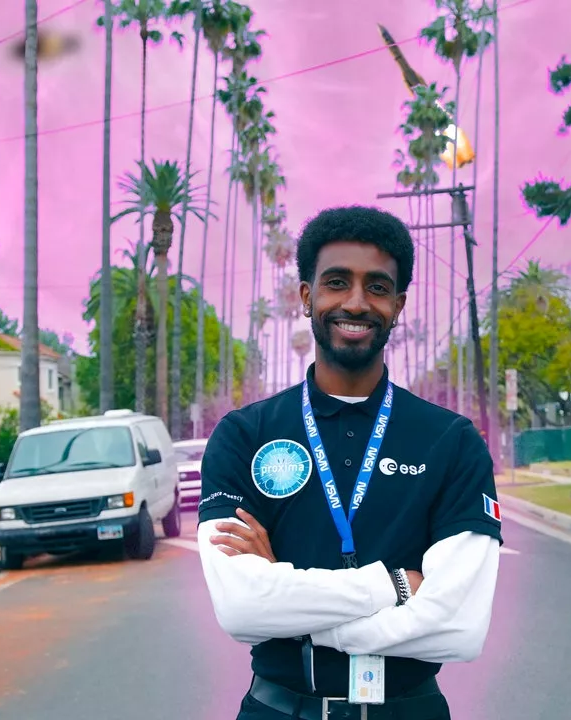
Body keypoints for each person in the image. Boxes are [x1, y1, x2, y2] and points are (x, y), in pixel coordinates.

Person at [197, 205, 503, 720]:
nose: (357, 303)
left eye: (378, 287)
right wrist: (397, 585)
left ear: (398, 304)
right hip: (278, 710)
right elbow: (242, 608)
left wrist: (290, 602)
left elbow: (459, 626)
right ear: (306, 296)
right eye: (337, 282)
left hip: (408, 710)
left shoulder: (451, 442)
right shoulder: (244, 436)